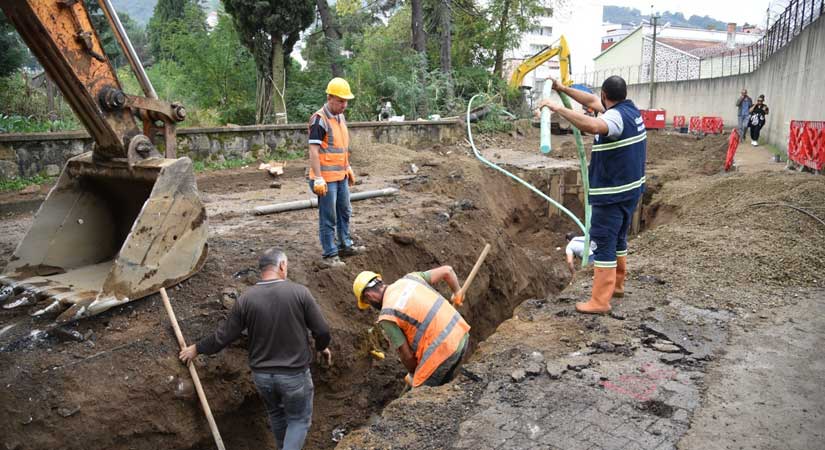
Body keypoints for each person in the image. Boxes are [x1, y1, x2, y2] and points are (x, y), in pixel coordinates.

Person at [179, 248, 332, 450]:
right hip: (293, 376)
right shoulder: (299, 293)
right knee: (298, 421)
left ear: (262, 269)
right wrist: (321, 347)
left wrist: (196, 349)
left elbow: (223, 336)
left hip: (263, 377)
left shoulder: (246, 298)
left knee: (277, 415)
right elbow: (322, 331)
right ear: (282, 266)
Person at [537, 75, 645, 314]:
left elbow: (594, 126)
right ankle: (617, 286)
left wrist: (557, 108)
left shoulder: (614, 119)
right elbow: (592, 101)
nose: (598, 101)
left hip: (612, 195)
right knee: (618, 240)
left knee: (603, 242)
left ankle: (599, 301)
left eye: (601, 97)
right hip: (629, 193)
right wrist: (563, 89)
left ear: (606, 95)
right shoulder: (630, 111)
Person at [353, 267, 470, 388]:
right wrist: (457, 292)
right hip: (461, 334)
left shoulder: (387, 314)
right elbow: (447, 271)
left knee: (421, 393)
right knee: (444, 381)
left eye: (367, 302)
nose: (371, 305)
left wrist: (413, 374)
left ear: (369, 296)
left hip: (444, 352)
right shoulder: (411, 278)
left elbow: (406, 355)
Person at [308, 77, 363, 268]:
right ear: (329, 98)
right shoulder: (319, 120)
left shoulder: (340, 118)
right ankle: (330, 254)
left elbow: (341, 147)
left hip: (340, 176)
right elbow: (313, 150)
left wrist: (347, 167)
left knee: (345, 211)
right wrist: (318, 178)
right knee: (328, 216)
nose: (344, 105)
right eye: (340, 101)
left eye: (346, 101)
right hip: (325, 179)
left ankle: (344, 245)